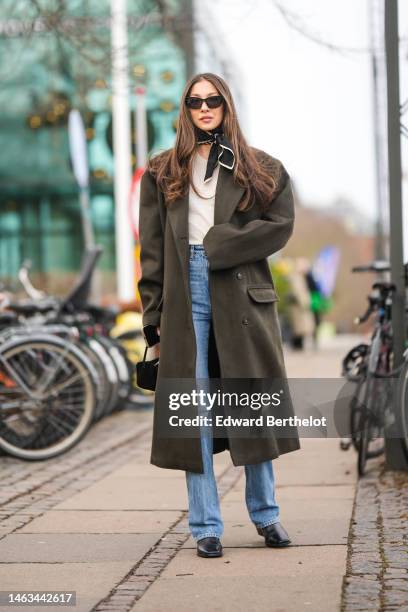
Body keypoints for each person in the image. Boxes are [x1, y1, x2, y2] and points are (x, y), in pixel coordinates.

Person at [138, 72, 300, 559]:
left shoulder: (259, 166)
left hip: (241, 292)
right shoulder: (163, 171)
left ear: (226, 105)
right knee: (195, 412)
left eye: (213, 101)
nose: (204, 108)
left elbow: (280, 225)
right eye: (194, 101)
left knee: (252, 406)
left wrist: (220, 244)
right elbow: (150, 251)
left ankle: (266, 515)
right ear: (185, 109)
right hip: (184, 291)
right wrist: (153, 318)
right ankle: (205, 526)